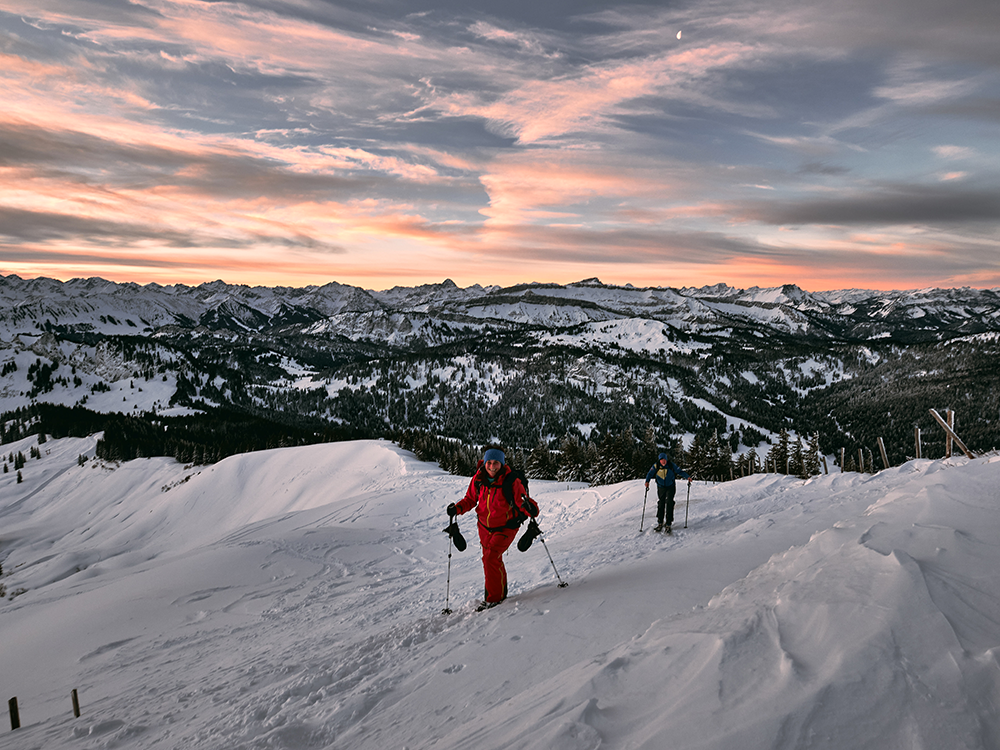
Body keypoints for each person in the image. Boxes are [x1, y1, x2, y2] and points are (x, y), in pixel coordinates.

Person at [447, 448, 539, 610]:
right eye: (489, 462)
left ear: (502, 463)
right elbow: (470, 499)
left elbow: (521, 501)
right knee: (491, 560)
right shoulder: (479, 478)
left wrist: (531, 509)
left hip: (506, 527)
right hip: (484, 527)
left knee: (490, 558)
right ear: (485, 462)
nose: (492, 466)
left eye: (496, 463)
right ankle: (499, 593)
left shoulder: (511, 480)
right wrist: (457, 508)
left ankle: (493, 599)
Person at [644, 452, 691, 533]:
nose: (663, 461)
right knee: (661, 503)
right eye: (662, 460)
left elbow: (680, 471)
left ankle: (668, 523)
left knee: (669, 503)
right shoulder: (656, 466)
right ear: (659, 460)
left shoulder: (671, 465)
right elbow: (650, 473)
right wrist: (647, 481)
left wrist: (688, 477)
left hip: (670, 487)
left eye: (664, 459)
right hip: (661, 487)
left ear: (666, 459)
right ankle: (660, 522)